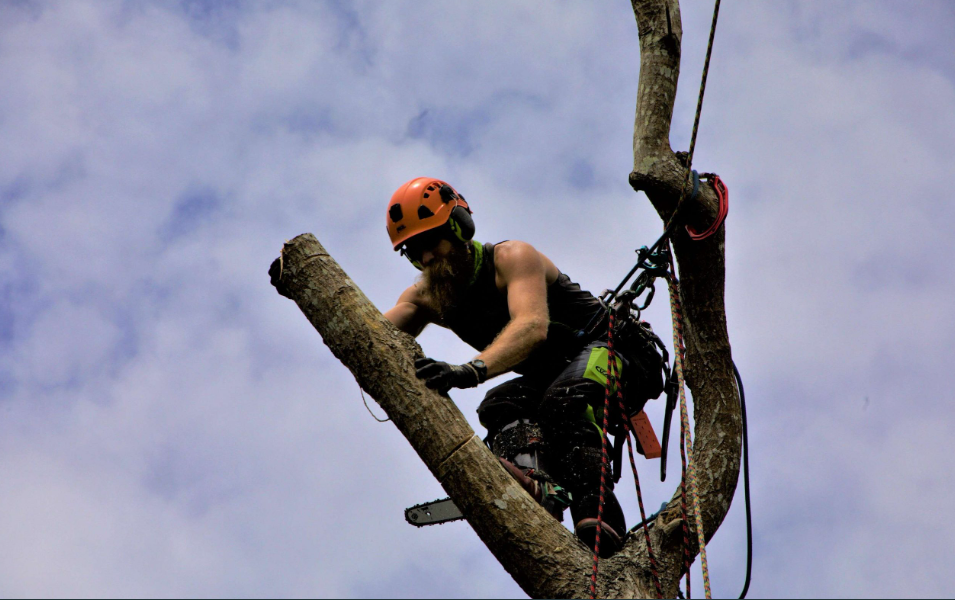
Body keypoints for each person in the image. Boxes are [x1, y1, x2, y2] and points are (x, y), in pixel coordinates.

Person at [383, 177, 662, 556]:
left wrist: (469, 370)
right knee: (500, 406)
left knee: (564, 399)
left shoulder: (511, 258)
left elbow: (532, 327)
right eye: (415, 252)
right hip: (555, 377)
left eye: (431, 242)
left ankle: (599, 516)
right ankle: (536, 481)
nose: (427, 258)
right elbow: (375, 332)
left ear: (458, 226)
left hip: (623, 354)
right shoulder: (426, 297)